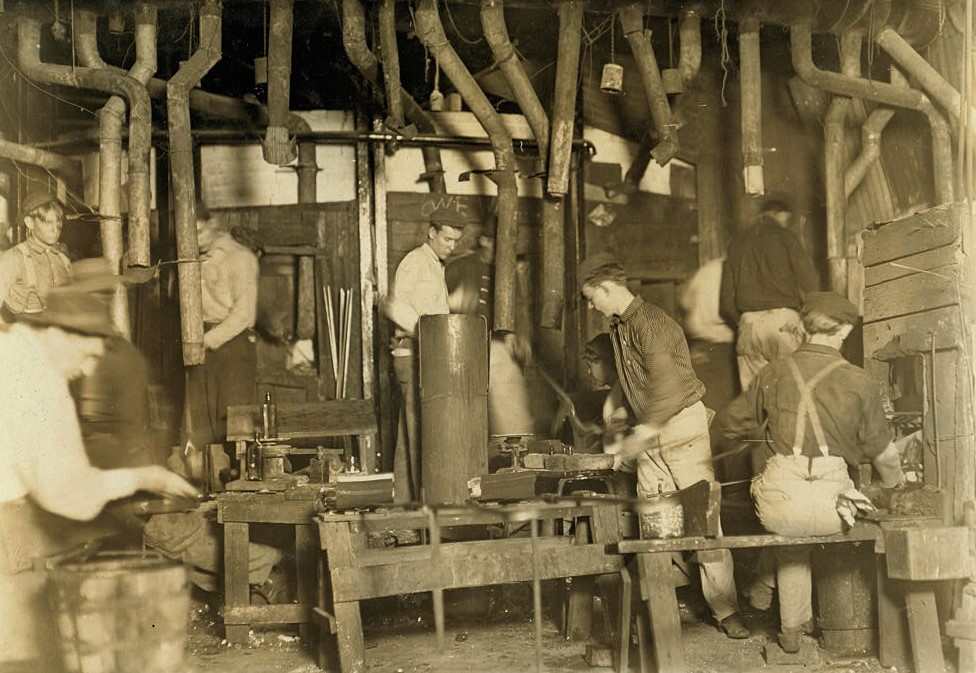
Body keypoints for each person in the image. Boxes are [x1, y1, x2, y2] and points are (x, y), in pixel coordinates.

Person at [0, 284, 197, 671]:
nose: (90, 369)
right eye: (88, 355)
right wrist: (143, 478)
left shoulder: (15, 350)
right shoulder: (34, 377)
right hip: (8, 529)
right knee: (27, 652)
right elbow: (64, 491)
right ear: (58, 334)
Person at [720, 292, 904, 654]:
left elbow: (731, 423)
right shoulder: (859, 380)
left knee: (791, 530)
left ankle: (781, 615)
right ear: (844, 330)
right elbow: (885, 457)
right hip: (835, 509)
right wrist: (893, 486)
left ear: (804, 328)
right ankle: (778, 604)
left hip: (781, 504)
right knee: (804, 525)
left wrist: (767, 438)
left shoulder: (772, 372)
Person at [578, 251, 749, 639]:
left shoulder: (651, 323)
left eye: (591, 297)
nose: (590, 305)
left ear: (606, 288)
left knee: (703, 519)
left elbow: (668, 388)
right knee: (655, 521)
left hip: (681, 426)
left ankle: (726, 610)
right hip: (651, 429)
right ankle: (659, 607)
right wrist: (624, 420)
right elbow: (636, 385)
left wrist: (643, 431)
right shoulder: (620, 328)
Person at [384, 218, 464, 502]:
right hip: (413, 356)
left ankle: (405, 503)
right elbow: (395, 305)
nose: (451, 247)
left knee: (411, 432)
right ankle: (422, 505)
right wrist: (427, 332)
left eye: (455, 241)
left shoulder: (434, 265)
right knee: (419, 432)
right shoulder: (415, 261)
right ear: (431, 233)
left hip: (427, 354)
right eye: (447, 239)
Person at [720, 196, 821, 391]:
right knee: (792, 391)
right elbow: (810, 282)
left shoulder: (737, 243)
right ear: (777, 214)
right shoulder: (787, 238)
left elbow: (726, 301)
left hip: (749, 324)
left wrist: (744, 321)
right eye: (786, 219)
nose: (786, 225)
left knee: (753, 397)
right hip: (784, 322)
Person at [185, 203, 260, 449]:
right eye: (189, 234)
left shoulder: (240, 258)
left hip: (233, 344)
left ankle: (236, 470)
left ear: (213, 225)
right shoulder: (192, 257)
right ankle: (208, 471)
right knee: (200, 423)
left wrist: (205, 341)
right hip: (201, 340)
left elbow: (244, 315)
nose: (194, 239)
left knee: (233, 423)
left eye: (199, 231)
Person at [0, 187, 72, 320]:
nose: (55, 229)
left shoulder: (63, 259)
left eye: (58, 222)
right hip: (22, 331)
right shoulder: (13, 259)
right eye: (47, 222)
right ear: (29, 222)